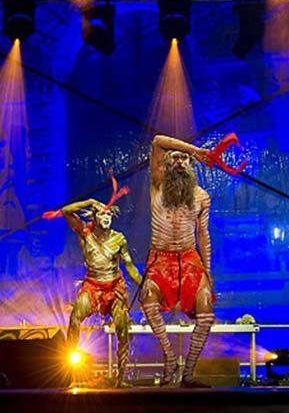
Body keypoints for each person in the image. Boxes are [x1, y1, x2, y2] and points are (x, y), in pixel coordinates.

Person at [141, 135, 215, 388]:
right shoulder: (157, 185)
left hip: (190, 259)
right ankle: (170, 359)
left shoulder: (201, 197)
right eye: (175, 157)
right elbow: (158, 141)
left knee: (206, 317)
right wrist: (195, 150)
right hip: (160, 259)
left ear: (191, 167)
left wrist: (208, 270)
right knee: (148, 303)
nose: (180, 161)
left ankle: (189, 374)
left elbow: (204, 235)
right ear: (166, 165)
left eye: (185, 158)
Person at [61, 198, 142, 387]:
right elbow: (66, 211)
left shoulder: (119, 239)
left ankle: (120, 378)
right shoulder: (85, 234)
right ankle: (68, 374)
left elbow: (129, 266)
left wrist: (143, 283)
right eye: (103, 214)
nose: (106, 218)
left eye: (109, 215)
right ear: (95, 216)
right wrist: (89, 201)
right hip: (92, 287)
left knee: (122, 327)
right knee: (74, 319)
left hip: (114, 288)